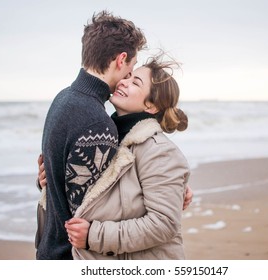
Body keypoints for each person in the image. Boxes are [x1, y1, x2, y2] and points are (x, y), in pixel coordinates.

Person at [39, 54, 191, 259]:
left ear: (151, 106)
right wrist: (52, 177)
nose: (123, 82)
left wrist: (94, 235)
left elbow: (164, 224)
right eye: (128, 76)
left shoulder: (159, 151)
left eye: (135, 82)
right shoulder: (107, 137)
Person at [35, 10, 147, 260]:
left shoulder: (63, 98)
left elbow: (59, 180)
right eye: (132, 65)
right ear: (121, 59)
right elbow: (91, 212)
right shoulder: (97, 123)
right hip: (70, 258)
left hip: (50, 249)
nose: (130, 74)